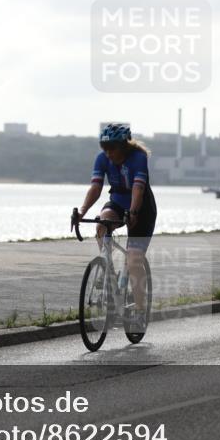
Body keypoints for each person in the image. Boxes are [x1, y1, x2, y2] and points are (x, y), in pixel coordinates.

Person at [74, 123, 157, 332]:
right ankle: (106, 270)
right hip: (118, 202)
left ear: (125, 145)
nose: (108, 153)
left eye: (112, 148)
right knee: (103, 224)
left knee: (133, 258)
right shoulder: (102, 158)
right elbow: (96, 187)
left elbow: (138, 190)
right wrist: (82, 212)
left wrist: (134, 213)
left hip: (142, 208)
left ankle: (139, 312)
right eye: (105, 148)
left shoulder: (138, 157)